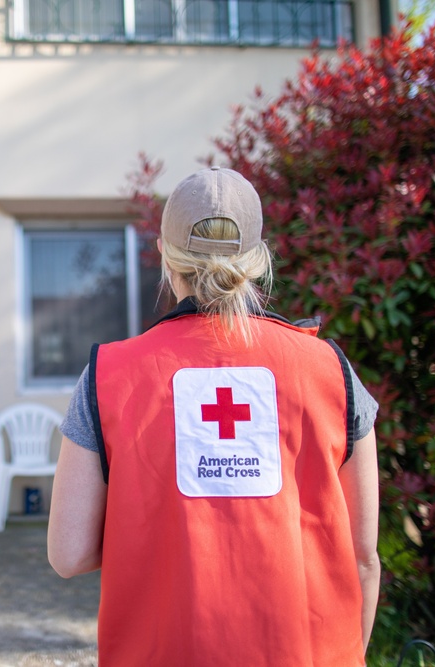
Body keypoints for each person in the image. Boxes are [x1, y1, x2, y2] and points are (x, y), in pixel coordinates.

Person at [47, 167, 381, 666]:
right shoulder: (330, 370)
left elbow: (69, 554)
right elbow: (362, 557)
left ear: (163, 253)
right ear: (258, 256)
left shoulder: (108, 375)